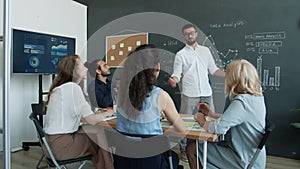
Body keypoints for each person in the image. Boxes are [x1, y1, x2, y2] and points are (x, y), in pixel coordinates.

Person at [186, 59, 267, 169]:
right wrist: (212, 114)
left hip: (242, 159)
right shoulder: (257, 98)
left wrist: (201, 120)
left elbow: (217, 128)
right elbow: (235, 120)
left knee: (192, 148)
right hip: (254, 156)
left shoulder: (242, 102)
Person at [116, 44, 186, 169]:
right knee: (174, 158)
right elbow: (181, 129)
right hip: (150, 163)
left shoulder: (120, 93)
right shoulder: (161, 96)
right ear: (157, 67)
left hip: (123, 161)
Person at [43, 55, 114, 169]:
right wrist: (108, 113)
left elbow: (80, 117)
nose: (86, 69)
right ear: (73, 70)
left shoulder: (62, 88)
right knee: (97, 139)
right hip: (61, 147)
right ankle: (109, 166)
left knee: (97, 131)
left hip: (49, 145)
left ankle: (107, 166)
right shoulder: (72, 88)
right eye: (82, 66)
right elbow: (90, 120)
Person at [167, 23, 225, 161]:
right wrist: (173, 80)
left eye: (192, 32)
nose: (190, 35)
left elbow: (213, 70)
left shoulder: (205, 51)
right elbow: (177, 74)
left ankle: (209, 149)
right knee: (186, 123)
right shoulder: (180, 54)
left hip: (206, 92)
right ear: (184, 36)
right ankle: (183, 150)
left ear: (196, 34)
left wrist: (230, 73)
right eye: (187, 33)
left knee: (209, 121)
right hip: (189, 93)